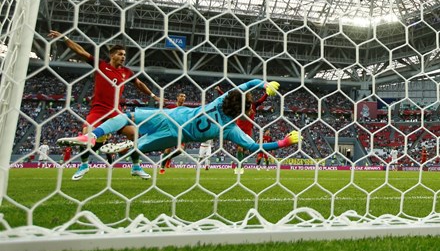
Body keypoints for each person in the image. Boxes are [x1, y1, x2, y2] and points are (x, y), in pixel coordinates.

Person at [56, 80, 301, 171]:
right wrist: (285, 142)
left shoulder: (219, 100)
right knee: (138, 149)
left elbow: (246, 86)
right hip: (174, 136)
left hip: (169, 117)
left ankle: (95, 137)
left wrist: (263, 84)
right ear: (242, 111)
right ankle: (124, 148)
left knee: (126, 117)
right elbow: (256, 147)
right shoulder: (229, 128)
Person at [49, 30, 160, 181]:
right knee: (86, 134)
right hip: (99, 109)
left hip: (116, 111)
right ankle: (84, 165)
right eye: (120, 54)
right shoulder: (100, 65)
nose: (123, 57)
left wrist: (153, 96)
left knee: (134, 133)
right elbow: (80, 51)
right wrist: (65, 38)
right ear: (112, 55)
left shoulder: (126, 72)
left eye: (124, 55)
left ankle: (135, 166)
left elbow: (139, 83)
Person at [215, 85, 269, 174]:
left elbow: (262, 100)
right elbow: (228, 98)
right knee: (240, 148)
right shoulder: (239, 104)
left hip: (248, 130)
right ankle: (239, 167)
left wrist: (267, 93)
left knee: (244, 150)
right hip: (238, 128)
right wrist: (220, 91)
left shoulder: (253, 105)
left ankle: (241, 164)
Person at [159, 92, 186, 174]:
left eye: (184, 96)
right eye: (181, 96)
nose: (183, 98)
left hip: (180, 131)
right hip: (171, 130)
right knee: (168, 149)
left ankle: (169, 158)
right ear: (177, 97)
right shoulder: (171, 107)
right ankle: (162, 168)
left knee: (180, 150)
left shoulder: (185, 109)